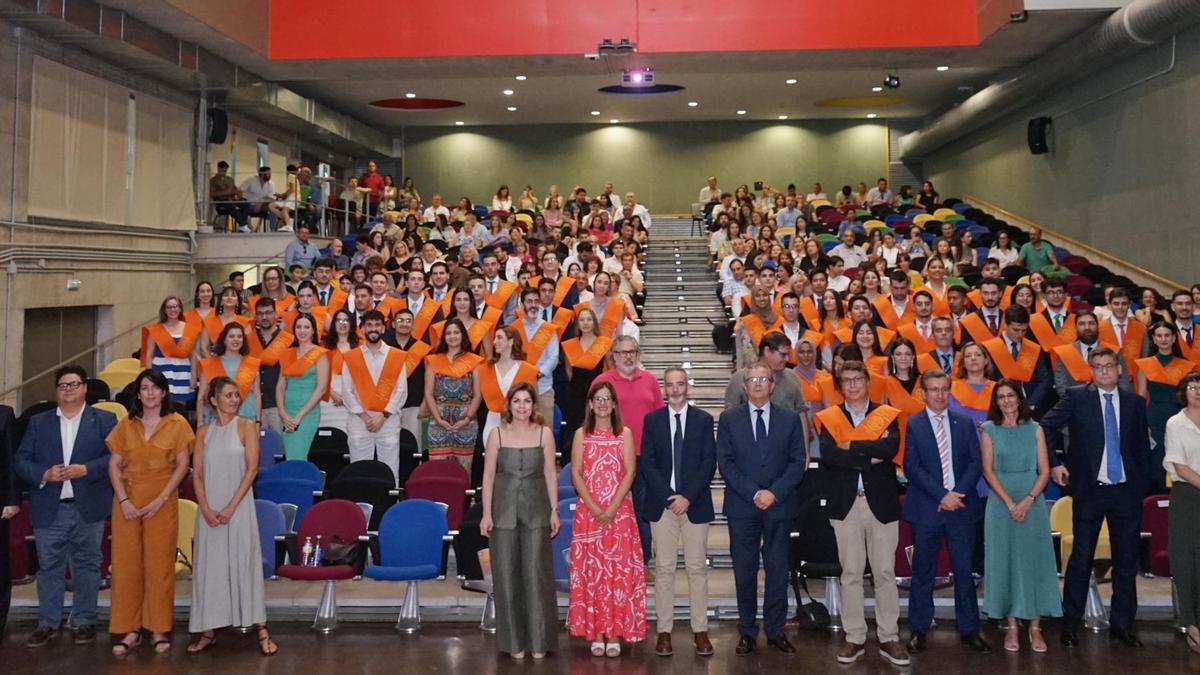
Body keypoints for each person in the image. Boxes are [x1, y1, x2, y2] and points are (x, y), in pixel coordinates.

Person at [1040, 347, 1150, 648]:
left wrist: (1140, 485)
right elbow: (1045, 425)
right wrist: (1055, 463)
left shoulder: (1134, 403)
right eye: (1097, 366)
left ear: (1119, 370)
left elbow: (1142, 446)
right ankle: (1071, 624)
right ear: (1091, 370)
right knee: (1081, 558)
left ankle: (1123, 625)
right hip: (1089, 491)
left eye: (1109, 366)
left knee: (1126, 561)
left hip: (1126, 492)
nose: (1103, 371)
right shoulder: (1077, 397)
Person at [14, 366, 117, 648]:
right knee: (49, 568)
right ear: (56, 391)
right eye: (62, 386)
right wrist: (44, 474)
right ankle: (48, 622)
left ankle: (84, 620)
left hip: (89, 506)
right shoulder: (38, 422)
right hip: (50, 506)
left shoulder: (105, 420)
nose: (68, 390)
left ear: (85, 388)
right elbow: (21, 460)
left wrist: (87, 469)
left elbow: (117, 459)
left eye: (74, 385)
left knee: (87, 565)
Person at [816, 361, 908, 666]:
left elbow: (890, 449)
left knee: (884, 573)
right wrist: (869, 455)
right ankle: (854, 637)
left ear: (868, 382)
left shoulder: (885, 414)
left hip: (880, 503)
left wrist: (852, 447)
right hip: (846, 504)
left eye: (858, 379)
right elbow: (829, 456)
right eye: (847, 381)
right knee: (851, 573)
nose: (853, 385)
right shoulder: (830, 418)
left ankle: (888, 637)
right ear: (840, 386)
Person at [717, 362, 806, 655]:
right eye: (752, 379)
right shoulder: (729, 420)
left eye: (763, 379)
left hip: (779, 505)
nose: (757, 384)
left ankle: (776, 629)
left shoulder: (790, 419)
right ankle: (746, 631)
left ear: (772, 385)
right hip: (743, 505)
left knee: (778, 569)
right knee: (744, 571)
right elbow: (726, 464)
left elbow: (797, 463)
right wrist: (755, 492)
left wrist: (773, 493)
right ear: (744, 386)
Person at [106, 369, 194, 655]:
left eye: (155, 388)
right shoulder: (126, 424)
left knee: (159, 567)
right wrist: (123, 501)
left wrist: (162, 497)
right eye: (144, 388)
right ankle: (129, 629)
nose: (150, 393)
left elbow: (182, 466)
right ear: (138, 393)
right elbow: (113, 466)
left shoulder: (178, 423)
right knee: (126, 567)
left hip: (162, 500)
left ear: (164, 392)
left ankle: (158, 628)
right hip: (127, 503)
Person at [902, 370, 990, 654]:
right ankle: (918, 628)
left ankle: (969, 630)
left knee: (965, 572)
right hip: (928, 509)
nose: (939, 395)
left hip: (961, 508)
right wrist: (942, 495)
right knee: (923, 572)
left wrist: (956, 494)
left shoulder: (964, 423)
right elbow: (912, 467)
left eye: (944, 389)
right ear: (923, 393)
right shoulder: (913, 424)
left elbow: (976, 463)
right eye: (933, 390)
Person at [188, 376, 276, 655]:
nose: (234, 399)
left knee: (244, 565)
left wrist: (229, 508)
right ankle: (208, 629)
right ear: (213, 400)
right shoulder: (203, 432)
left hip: (238, 508)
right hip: (209, 510)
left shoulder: (247, 426)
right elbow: (197, 473)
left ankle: (261, 629)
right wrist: (204, 507)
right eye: (228, 395)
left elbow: (251, 471)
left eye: (236, 395)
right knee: (210, 569)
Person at [978, 380, 1062, 653]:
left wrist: (1026, 501)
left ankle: (1035, 627)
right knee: (1005, 562)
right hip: (1001, 504)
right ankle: (1012, 626)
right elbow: (988, 471)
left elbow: (1045, 470)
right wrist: (1010, 503)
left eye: (1010, 396)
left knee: (1033, 561)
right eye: (1000, 397)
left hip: (1032, 501)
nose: (1006, 401)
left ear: (1019, 399)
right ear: (996, 402)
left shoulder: (1035, 429)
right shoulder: (988, 429)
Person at [639, 368, 717, 657]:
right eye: (670, 385)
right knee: (664, 570)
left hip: (695, 504)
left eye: (680, 384)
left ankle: (700, 631)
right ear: (664, 389)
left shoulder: (703, 420)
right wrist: (670, 498)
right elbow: (647, 462)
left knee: (697, 569)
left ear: (687, 387)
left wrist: (687, 497)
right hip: (662, 506)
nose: (675, 389)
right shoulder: (653, 420)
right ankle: (664, 632)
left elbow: (709, 461)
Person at [479, 383, 559, 659]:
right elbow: (488, 477)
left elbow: (550, 473)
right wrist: (486, 514)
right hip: (502, 513)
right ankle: (514, 643)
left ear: (533, 405)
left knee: (537, 576)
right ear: (509, 405)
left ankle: (539, 641)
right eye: (517, 401)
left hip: (537, 511)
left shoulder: (545, 434)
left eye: (527, 401)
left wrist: (554, 510)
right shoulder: (496, 434)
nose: (522, 406)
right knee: (506, 577)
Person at [568, 381, 646, 657]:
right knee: (593, 573)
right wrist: (592, 505)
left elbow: (630, 472)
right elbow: (576, 473)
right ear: (590, 404)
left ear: (614, 404)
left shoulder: (623, 433)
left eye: (607, 399)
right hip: (588, 513)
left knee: (617, 574)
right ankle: (596, 632)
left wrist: (611, 508)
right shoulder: (581, 434)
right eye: (597, 399)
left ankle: (614, 632)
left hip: (619, 512)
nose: (602, 403)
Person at [341, 310, 407, 484]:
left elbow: (401, 391)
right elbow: (347, 392)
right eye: (369, 325)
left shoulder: (396, 356)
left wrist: (382, 416)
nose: (373, 329)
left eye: (377, 325)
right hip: (359, 422)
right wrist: (365, 417)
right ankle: (359, 508)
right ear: (362, 329)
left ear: (383, 328)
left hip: (388, 422)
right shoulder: (351, 357)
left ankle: (390, 509)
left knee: (390, 473)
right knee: (359, 473)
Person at [1165, 372, 1200, 654]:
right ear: (1183, 392)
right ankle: (1191, 624)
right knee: (1185, 558)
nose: (1197, 391)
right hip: (1187, 495)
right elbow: (1179, 466)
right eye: (1192, 387)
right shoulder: (1175, 423)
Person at [424, 318, 484, 472]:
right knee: (437, 470)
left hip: (466, 423)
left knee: (463, 470)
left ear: (463, 335)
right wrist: (438, 419)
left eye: (456, 332)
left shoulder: (473, 361)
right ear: (444, 337)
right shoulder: (433, 360)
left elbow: (477, 395)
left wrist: (467, 418)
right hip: (438, 422)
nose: (452, 336)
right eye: (448, 333)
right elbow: (429, 393)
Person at [476, 326, 539, 458]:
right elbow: (476, 397)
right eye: (494, 338)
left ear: (511, 341)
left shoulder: (528, 370)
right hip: (493, 423)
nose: (494, 342)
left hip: (520, 423)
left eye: (499, 338)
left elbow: (535, 401)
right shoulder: (483, 370)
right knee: (493, 465)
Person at [276, 314, 329, 460]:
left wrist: (299, 416)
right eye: (298, 327)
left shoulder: (319, 354)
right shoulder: (287, 353)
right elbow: (280, 385)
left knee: (298, 456)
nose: (302, 331)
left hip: (307, 413)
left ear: (313, 331)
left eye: (306, 327)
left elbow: (322, 388)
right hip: (287, 413)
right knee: (289, 456)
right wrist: (282, 413)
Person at [560, 309, 611, 446]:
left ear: (594, 322)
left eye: (589, 319)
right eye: (582, 320)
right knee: (575, 429)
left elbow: (610, 368)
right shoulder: (571, 345)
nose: (585, 323)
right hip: (575, 394)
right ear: (577, 324)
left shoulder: (604, 343)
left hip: (597, 392)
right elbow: (569, 372)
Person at [140, 296, 200, 407]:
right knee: (160, 405)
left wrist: (194, 375)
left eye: (175, 306)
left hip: (182, 373)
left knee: (179, 407)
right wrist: (149, 378)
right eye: (169, 307)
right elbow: (149, 355)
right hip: (161, 371)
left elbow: (192, 355)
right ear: (164, 310)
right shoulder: (156, 330)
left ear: (180, 308)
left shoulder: (189, 329)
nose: (173, 309)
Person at [197, 323, 262, 425]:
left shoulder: (252, 363)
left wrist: (258, 421)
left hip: (246, 415)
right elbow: (201, 397)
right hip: (217, 418)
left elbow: (257, 394)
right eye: (231, 336)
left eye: (239, 336)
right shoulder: (210, 364)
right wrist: (200, 422)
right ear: (224, 340)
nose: (236, 339)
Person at [246, 297, 291, 431]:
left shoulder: (286, 340)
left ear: (276, 314)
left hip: (278, 405)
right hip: (252, 405)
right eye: (260, 314)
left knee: (279, 448)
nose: (264, 317)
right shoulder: (248, 339)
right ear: (256, 317)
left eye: (268, 313)